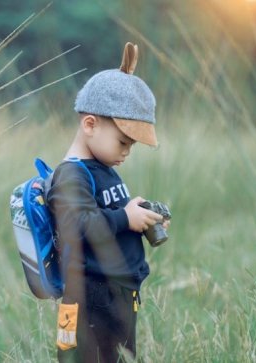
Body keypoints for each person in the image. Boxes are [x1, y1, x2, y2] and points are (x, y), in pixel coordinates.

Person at [47, 42, 169, 362]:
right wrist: (124, 219)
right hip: (88, 297)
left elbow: (108, 217)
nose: (127, 152)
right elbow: (78, 224)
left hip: (118, 296)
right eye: (123, 142)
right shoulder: (71, 174)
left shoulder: (103, 167)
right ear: (90, 125)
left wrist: (140, 218)